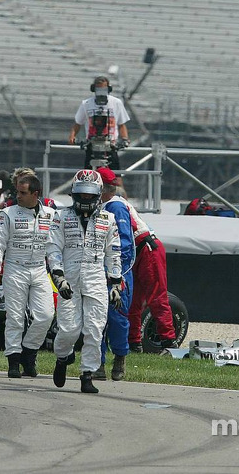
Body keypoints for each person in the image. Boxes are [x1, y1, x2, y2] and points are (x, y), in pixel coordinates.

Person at [46, 169, 123, 394]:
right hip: (69, 278)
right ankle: (62, 358)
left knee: (95, 329)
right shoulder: (61, 216)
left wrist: (116, 283)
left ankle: (87, 374)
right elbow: (53, 248)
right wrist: (58, 277)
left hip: (96, 277)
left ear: (98, 194)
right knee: (69, 329)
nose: (86, 198)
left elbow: (114, 252)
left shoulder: (108, 219)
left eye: (90, 194)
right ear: (74, 194)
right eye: (82, 194)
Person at [97, 167, 177, 354]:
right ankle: (134, 342)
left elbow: (124, 238)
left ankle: (168, 341)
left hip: (146, 251)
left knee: (156, 296)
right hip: (139, 252)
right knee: (133, 299)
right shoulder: (113, 204)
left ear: (101, 189)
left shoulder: (114, 206)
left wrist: (117, 268)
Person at [0, 174, 56, 378]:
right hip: (15, 269)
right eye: (17, 191)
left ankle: (29, 351)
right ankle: (14, 361)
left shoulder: (52, 215)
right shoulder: (7, 213)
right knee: (15, 318)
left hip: (39, 270)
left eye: (23, 193)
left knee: (46, 315)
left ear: (36, 194)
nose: (18, 196)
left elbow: (55, 247)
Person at [94, 169, 135, 381]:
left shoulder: (116, 207)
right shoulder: (96, 207)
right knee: (96, 319)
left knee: (117, 317)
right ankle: (97, 362)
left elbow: (124, 245)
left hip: (118, 272)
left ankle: (120, 357)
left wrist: (116, 274)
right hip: (96, 271)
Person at [69, 76, 131, 170]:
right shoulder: (86, 104)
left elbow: (121, 124)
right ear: (94, 89)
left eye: (104, 89)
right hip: (91, 144)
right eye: (99, 89)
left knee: (115, 177)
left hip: (111, 145)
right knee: (89, 175)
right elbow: (78, 123)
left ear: (108, 89)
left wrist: (125, 139)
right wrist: (72, 136)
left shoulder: (116, 102)